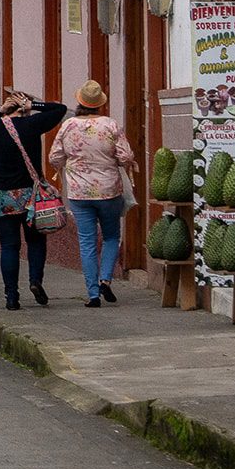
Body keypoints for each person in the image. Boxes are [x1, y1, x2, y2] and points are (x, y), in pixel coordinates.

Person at [48, 80, 137, 307]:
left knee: (86, 242)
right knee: (111, 237)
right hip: (109, 191)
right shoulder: (110, 125)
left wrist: (70, 165)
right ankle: (106, 279)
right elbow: (125, 156)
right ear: (99, 105)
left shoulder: (68, 126)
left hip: (79, 193)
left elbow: (54, 157)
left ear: (80, 102)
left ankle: (93, 294)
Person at [0, 90, 68, 311]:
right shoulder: (33, 125)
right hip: (30, 195)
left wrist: (2, 109)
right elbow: (60, 109)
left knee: (9, 246)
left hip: (2, 196)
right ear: (24, 108)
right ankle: (35, 281)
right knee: (36, 241)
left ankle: (11, 296)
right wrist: (33, 106)